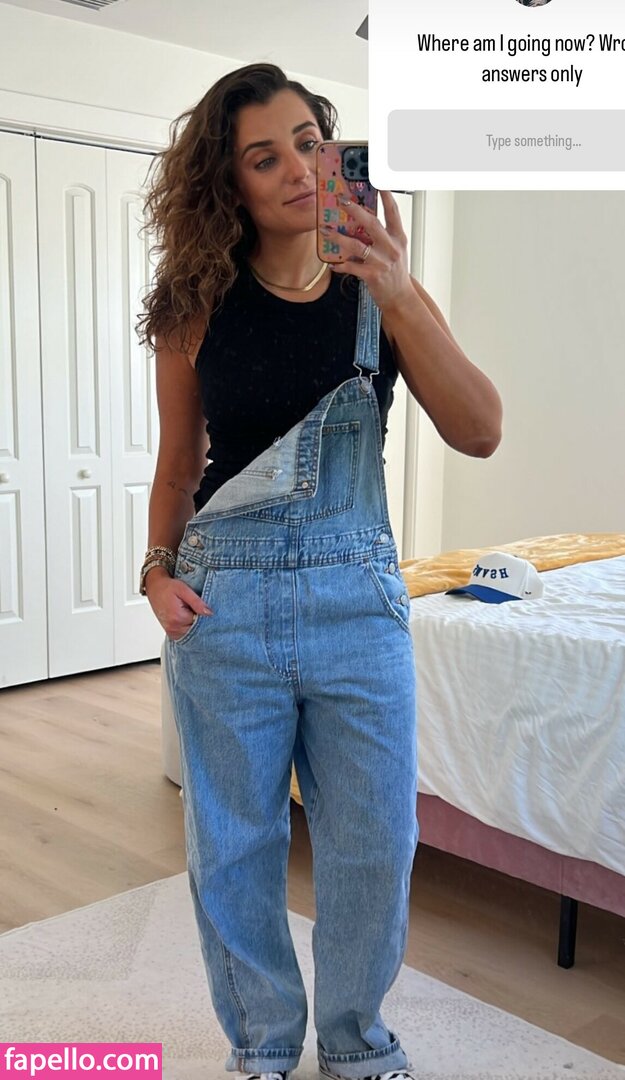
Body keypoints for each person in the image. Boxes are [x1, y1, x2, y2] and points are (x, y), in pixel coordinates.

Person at [136, 63, 502, 1080]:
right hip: (225, 609)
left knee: (374, 846)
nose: (298, 170)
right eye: (265, 158)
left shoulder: (380, 289)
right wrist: (155, 572)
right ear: (231, 184)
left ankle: (355, 1043)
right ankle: (260, 1047)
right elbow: (178, 465)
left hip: (358, 605)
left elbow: (479, 430)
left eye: (309, 142)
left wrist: (398, 288)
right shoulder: (193, 305)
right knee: (233, 848)